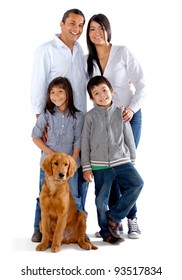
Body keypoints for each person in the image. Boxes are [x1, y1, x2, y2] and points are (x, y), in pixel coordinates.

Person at [85, 13, 146, 238]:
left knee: (125, 165)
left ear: (107, 30)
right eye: (92, 29)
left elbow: (141, 84)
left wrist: (132, 108)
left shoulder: (122, 52)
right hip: (102, 119)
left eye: (100, 28)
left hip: (127, 116)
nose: (97, 33)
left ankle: (130, 218)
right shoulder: (86, 60)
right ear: (88, 34)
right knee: (109, 169)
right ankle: (114, 222)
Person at [31, 9, 88, 242]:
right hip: (53, 122)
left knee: (76, 177)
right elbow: (38, 84)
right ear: (62, 23)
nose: (77, 28)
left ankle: (74, 228)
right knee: (48, 177)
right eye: (72, 23)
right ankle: (40, 227)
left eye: (81, 24)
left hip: (78, 122)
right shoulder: (46, 50)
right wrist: (40, 119)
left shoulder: (80, 50)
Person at [81, 76, 144, 244]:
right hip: (100, 166)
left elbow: (129, 138)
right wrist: (86, 167)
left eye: (104, 90)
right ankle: (106, 233)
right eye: (96, 93)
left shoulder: (120, 112)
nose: (102, 95)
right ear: (91, 98)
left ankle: (114, 216)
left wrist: (132, 159)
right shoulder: (89, 117)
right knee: (101, 201)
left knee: (137, 183)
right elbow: (85, 144)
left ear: (112, 91)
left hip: (122, 161)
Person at [32, 76, 85, 239]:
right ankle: (38, 229)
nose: (56, 96)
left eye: (60, 92)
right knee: (44, 196)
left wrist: (73, 162)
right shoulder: (46, 114)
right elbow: (35, 136)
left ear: (68, 93)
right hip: (49, 166)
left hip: (69, 166)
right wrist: (50, 154)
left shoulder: (78, 116)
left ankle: (77, 232)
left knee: (74, 196)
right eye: (52, 92)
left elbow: (78, 141)